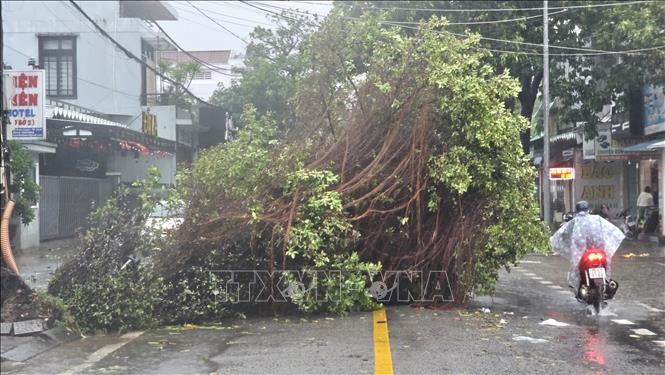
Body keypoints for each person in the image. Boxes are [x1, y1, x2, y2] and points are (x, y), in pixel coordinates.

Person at [551, 201, 625, 290]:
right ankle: (606, 281)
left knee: (576, 264)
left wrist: (554, 240)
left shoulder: (575, 221)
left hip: (582, 251)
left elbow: (562, 233)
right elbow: (610, 229)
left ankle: (577, 284)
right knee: (606, 261)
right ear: (588, 210)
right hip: (598, 248)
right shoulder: (597, 218)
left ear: (577, 210)